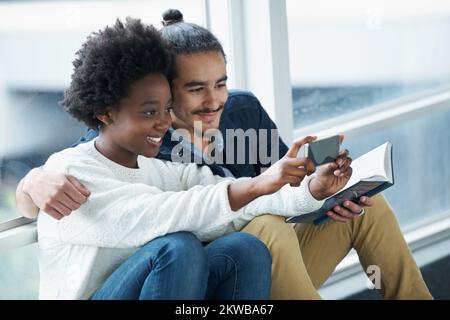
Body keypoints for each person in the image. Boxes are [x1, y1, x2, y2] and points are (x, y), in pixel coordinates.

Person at [16, 10, 432, 299]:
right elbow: (71, 177)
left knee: (361, 210)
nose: (214, 101)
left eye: (221, 83)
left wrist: (326, 194)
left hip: (261, 268)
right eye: (195, 88)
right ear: (163, 86)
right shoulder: (136, 142)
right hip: (207, 279)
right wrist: (31, 182)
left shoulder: (240, 111)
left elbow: (283, 191)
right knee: (262, 228)